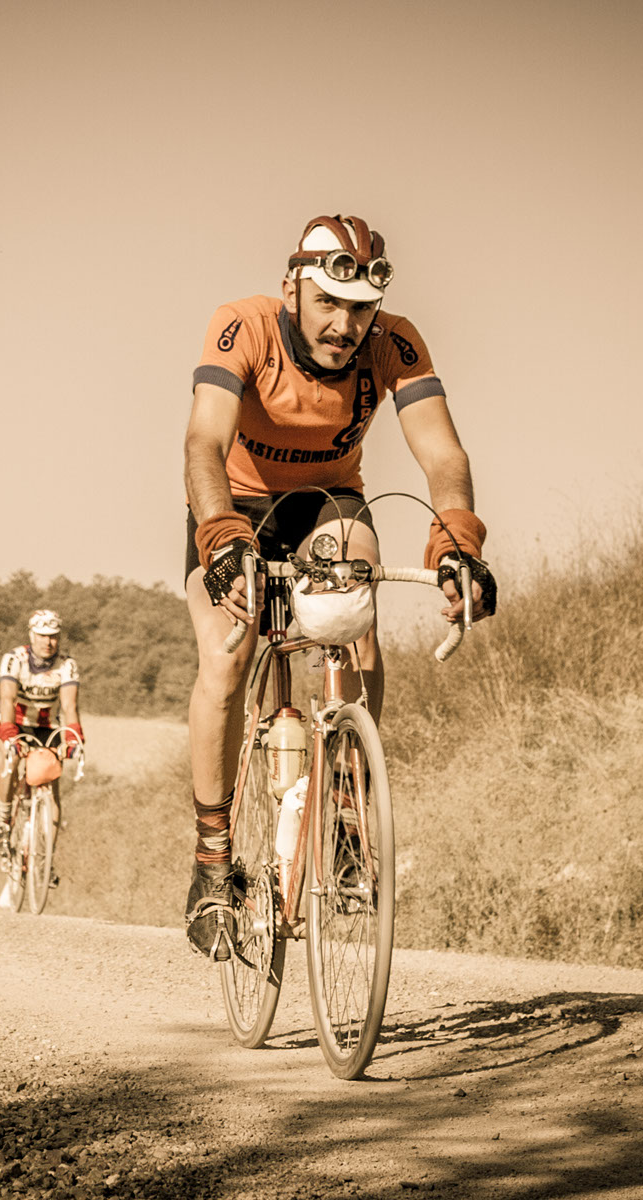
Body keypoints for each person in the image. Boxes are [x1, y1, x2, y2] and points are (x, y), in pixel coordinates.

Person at [181, 214, 495, 958]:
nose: (345, 325)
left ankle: (350, 809)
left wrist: (456, 541)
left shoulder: (395, 344)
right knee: (225, 661)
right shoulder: (243, 326)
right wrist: (220, 536)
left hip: (329, 502)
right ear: (295, 287)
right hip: (236, 507)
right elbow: (203, 441)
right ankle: (211, 860)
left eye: (360, 310)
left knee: (354, 598)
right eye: (328, 302)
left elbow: (443, 453)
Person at [0, 609, 84, 880]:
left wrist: (73, 738)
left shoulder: (67, 665)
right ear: (31, 635)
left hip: (48, 728)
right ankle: (3, 821)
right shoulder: (14, 660)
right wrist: (9, 735)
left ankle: (46, 861)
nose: (49, 643)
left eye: (54, 637)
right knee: (10, 762)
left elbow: (69, 706)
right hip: (16, 722)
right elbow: (7, 699)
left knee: (51, 785)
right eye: (43, 636)